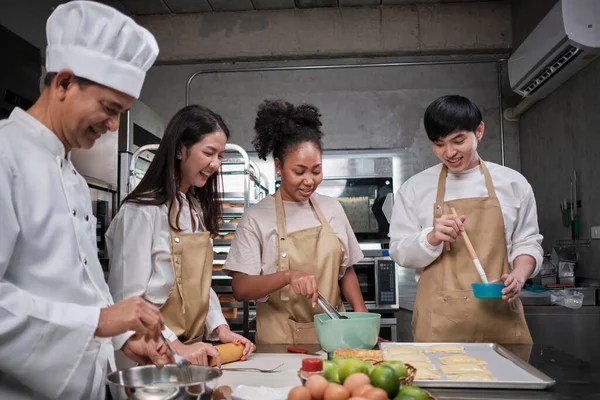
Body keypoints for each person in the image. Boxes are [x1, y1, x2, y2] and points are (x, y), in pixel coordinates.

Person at [0, 2, 171, 399]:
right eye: (110, 109)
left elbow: (81, 290)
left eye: (121, 113)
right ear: (63, 83)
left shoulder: (72, 177)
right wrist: (98, 322)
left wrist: (121, 341)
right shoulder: (5, 156)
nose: (113, 126)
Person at [388, 95, 543, 344]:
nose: (449, 152)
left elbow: (527, 241)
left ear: (479, 130)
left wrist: (520, 274)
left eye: (458, 140)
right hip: (439, 325)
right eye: (439, 144)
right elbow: (399, 251)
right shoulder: (415, 188)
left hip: (499, 318)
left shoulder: (513, 183)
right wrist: (431, 237)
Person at [107, 105, 254, 367]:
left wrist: (220, 328)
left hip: (190, 352)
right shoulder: (141, 212)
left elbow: (197, 286)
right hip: (151, 355)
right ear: (179, 149)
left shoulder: (193, 209)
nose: (215, 164)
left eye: (220, 155)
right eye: (209, 153)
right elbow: (128, 300)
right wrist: (173, 344)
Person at [223, 100, 368, 345]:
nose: (309, 181)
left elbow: (346, 271)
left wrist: (362, 317)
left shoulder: (332, 208)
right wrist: (288, 276)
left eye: (316, 171)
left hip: (335, 336)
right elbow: (241, 288)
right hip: (279, 343)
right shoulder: (257, 217)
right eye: (299, 172)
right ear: (278, 167)